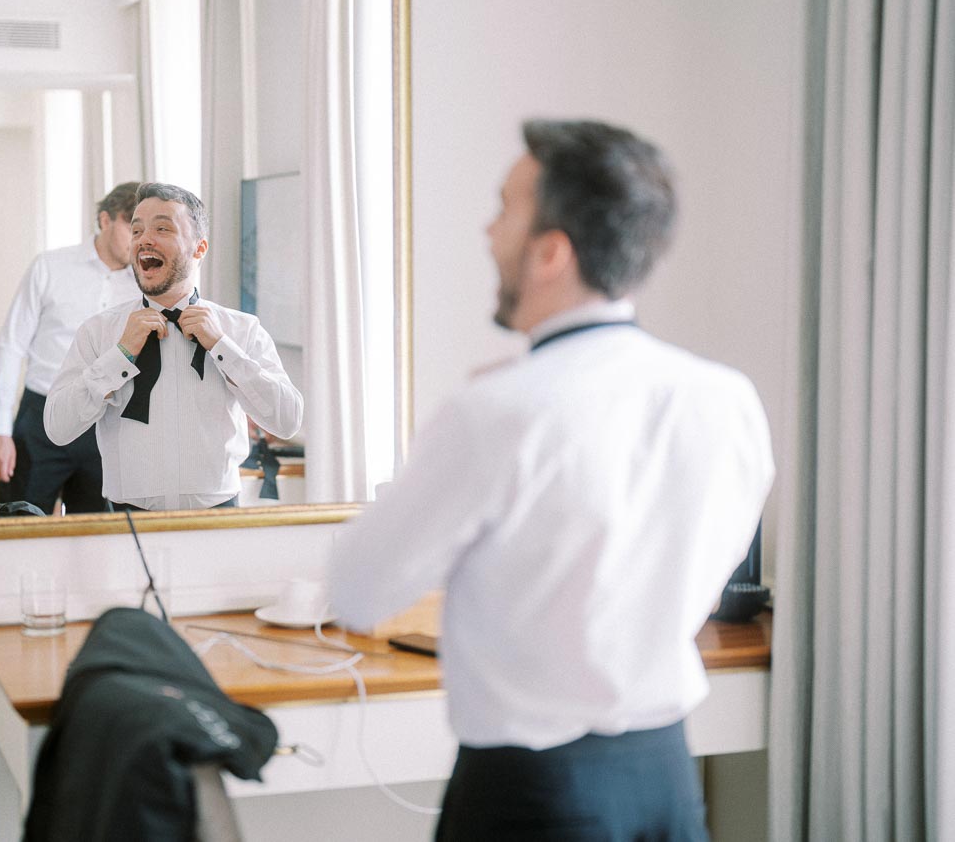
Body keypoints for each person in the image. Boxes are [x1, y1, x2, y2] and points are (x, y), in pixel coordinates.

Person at [328, 119, 774, 840]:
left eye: (505, 207)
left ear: (551, 251)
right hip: (667, 783)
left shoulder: (496, 414)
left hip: (536, 797)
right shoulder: (726, 397)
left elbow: (356, 590)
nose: (486, 229)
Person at [44, 182, 303, 511]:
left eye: (162, 228)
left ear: (199, 248)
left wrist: (223, 348)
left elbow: (288, 419)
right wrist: (119, 356)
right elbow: (57, 428)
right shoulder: (99, 332)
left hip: (218, 521)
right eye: (136, 230)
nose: (144, 240)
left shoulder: (241, 330)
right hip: (128, 523)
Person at [0, 182, 142, 515]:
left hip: (106, 424)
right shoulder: (50, 267)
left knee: (96, 540)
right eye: (131, 228)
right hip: (40, 419)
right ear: (105, 220)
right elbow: (10, 345)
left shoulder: (146, 285)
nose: (138, 241)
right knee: (19, 525)